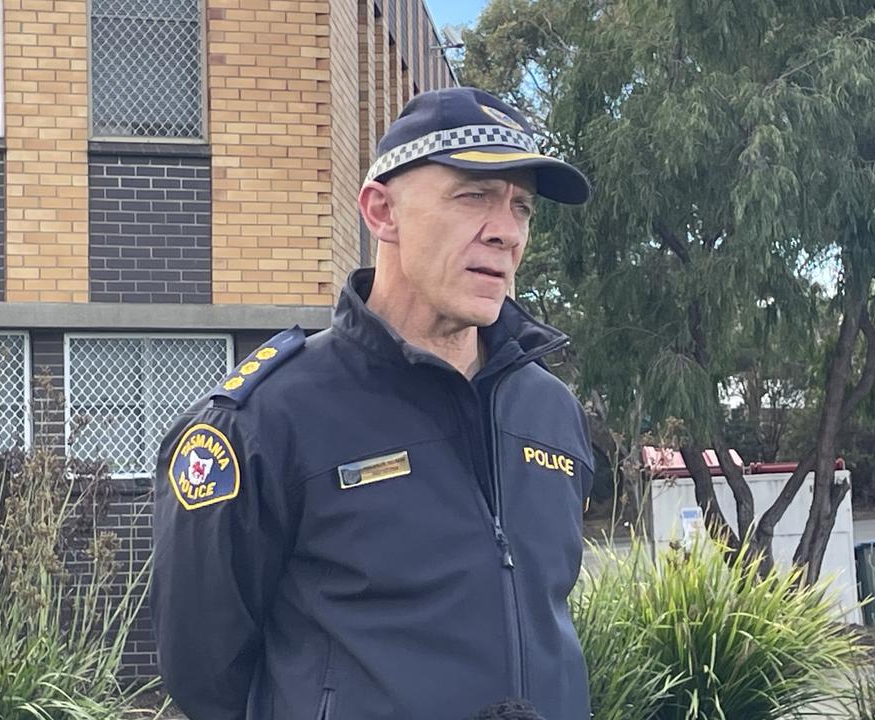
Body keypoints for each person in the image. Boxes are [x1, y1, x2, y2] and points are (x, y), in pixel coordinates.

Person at [151, 86, 595, 720]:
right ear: (382, 211)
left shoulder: (549, 410)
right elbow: (205, 675)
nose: (506, 232)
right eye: (474, 195)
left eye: (521, 206)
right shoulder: (265, 421)